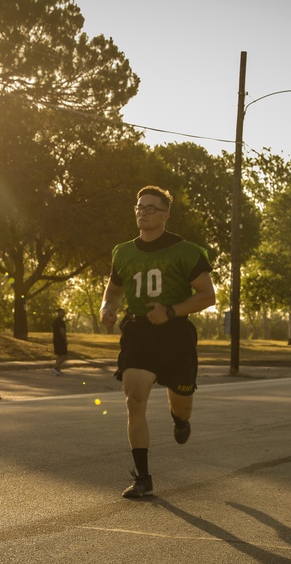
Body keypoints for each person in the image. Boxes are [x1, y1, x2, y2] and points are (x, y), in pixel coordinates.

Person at [100, 185, 216, 499]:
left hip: (176, 334)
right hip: (139, 333)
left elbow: (208, 295)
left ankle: (180, 420)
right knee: (134, 399)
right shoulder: (123, 251)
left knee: (182, 402)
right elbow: (113, 289)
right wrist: (107, 308)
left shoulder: (186, 250)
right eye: (140, 206)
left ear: (165, 215)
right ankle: (143, 478)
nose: (143, 212)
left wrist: (171, 311)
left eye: (151, 208)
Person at [51, 308, 68, 375]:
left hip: (55, 339)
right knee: (64, 354)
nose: (63, 314)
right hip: (60, 340)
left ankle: (57, 369)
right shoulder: (60, 322)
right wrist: (65, 339)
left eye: (63, 312)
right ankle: (56, 367)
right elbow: (62, 331)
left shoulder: (55, 321)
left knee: (59, 355)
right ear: (58, 313)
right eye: (62, 312)